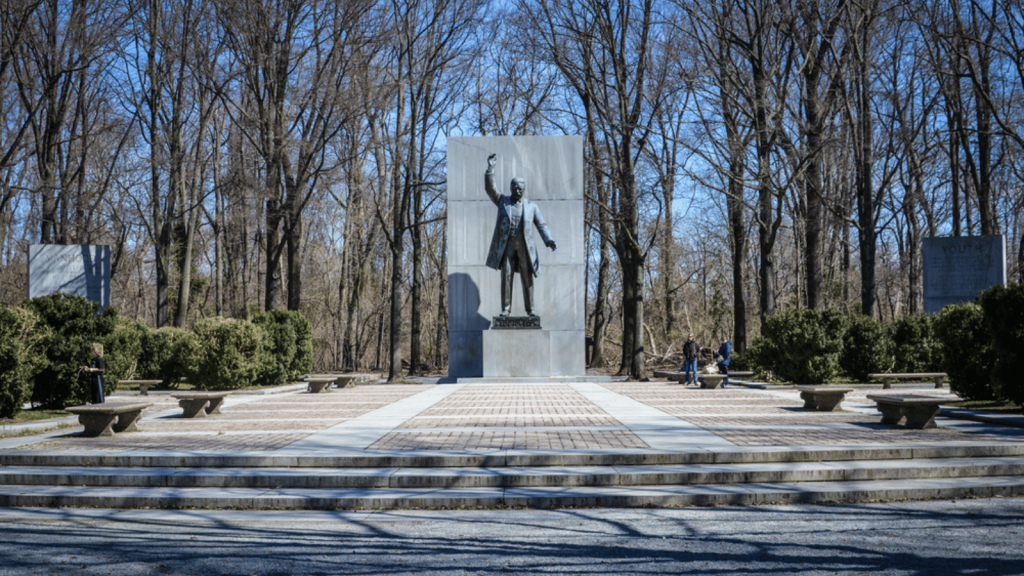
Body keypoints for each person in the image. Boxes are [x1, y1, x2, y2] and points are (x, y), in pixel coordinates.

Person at [484, 153, 557, 317]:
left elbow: (541, 224)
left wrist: (548, 239)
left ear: (524, 189)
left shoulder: (532, 206)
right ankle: (506, 309)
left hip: (525, 246)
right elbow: (490, 189)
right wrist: (491, 168)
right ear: (511, 189)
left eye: (520, 188)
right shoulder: (502, 201)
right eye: (515, 187)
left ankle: (530, 309)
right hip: (507, 244)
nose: (518, 190)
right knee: (506, 276)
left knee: (527, 277)